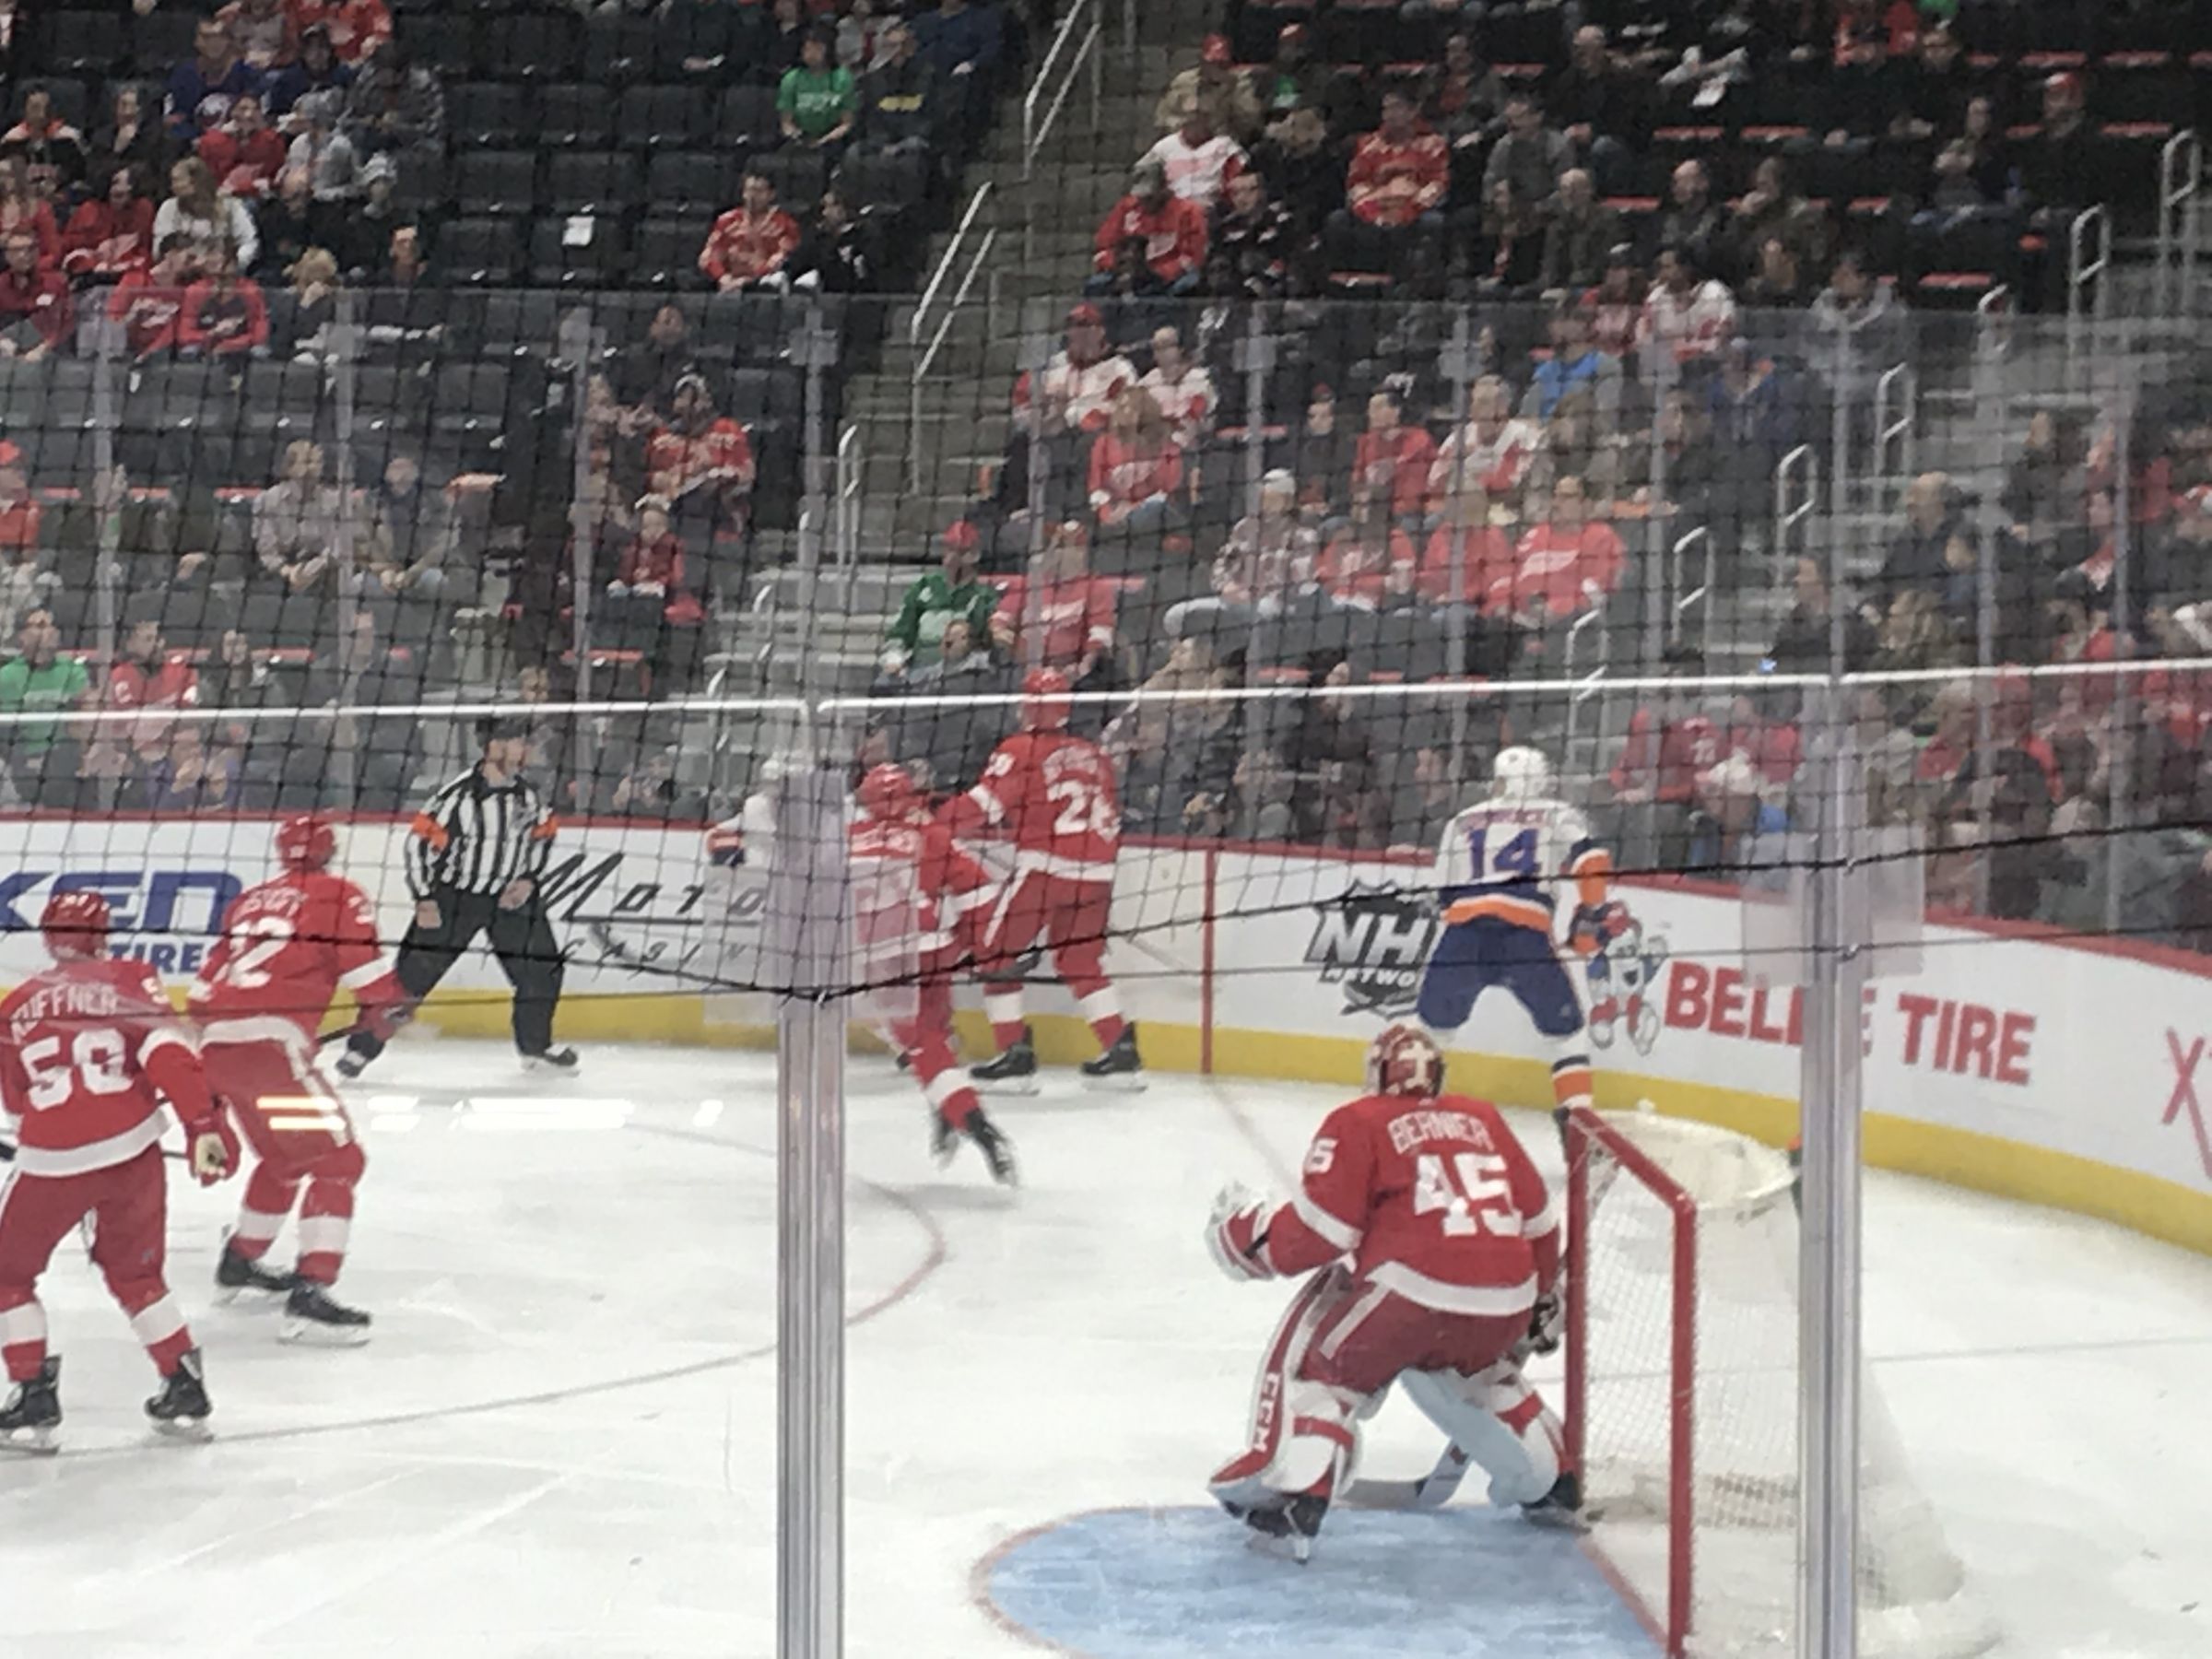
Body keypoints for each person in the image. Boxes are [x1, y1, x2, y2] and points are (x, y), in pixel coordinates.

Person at [1205, 1022, 1571, 1557]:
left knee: (1321, 1370)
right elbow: (1539, 1224)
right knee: (1481, 1375)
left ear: (1376, 1074)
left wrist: (1247, 1236)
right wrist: (1539, 1300)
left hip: (1411, 1295)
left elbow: (1323, 1234)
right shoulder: (1483, 1118)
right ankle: (1549, 1475)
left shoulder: (1359, 1120)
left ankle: (1292, 1497)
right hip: (1506, 1298)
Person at [0, 890, 237, 1453]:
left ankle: (33, 1395)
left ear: (49, 937)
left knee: (7, 1276)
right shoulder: (132, 978)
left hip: (53, 1158)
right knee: (136, 1275)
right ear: (103, 934)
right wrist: (201, 1123)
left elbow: (14, 1098)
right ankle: (183, 1386)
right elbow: (165, 1055)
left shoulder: (15, 1004)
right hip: (133, 1149)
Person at [190, 814, 405, 1343]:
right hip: (273, 1050)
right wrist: (389, 1009)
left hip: (216, 1046)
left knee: (285, 1159)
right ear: (329, 851)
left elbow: (199, 994)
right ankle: (312, 1289)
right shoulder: (338, 894)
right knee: (339, 1160)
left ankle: (240, 1261)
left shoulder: (247, 901)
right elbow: (365, 974)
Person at [339, 716, 577, 1079]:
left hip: (509, 902)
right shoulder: (456, 796)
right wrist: (424, 898)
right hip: (454, 900)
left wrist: (528, 879)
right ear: (493, 746)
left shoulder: (528, 794)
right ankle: (361, 1049)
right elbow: (417, 845)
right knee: (410, 979)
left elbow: (544, 835)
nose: (524, 749)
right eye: (516, 742)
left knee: (542, 971)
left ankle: (535, 1047)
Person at [943, 667, 1142, 1088]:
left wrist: (930, 824)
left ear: (1027, 706)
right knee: (1079, 958)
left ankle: (1014, 1055)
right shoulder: (1094, 753)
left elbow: (984, 807)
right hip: (1099, 871)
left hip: (1046, 868)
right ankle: (1121, 1050)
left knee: (994, 953)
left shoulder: (1020, 748)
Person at [1418, 746, 1618, 1123]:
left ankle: (1407, 1116)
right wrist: (1590, 913)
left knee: (1432, 1035)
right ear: (1541, 779)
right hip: (1523, 934)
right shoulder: (1558, 812)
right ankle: (1580, 1129)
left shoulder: (1461, 819)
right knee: (1566, 1036)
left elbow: (1442, 895)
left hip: (1463, 933)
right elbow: (1592, 859)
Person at [850, 764, 1016, 1183]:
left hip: (883, 960)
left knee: (923, 1048)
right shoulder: (934, 838)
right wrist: (977, 950)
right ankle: (946, 1110)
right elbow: (980, 895)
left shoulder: (845, 842)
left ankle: (979, 1127)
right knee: (935, 1035)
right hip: (934, 953)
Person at [0, 608, 88, 808]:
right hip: (19, 762)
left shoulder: (72, 670)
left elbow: (84, 716)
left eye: (52, 625)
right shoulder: (6, 677)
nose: (50, 631)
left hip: (64, 758)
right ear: (22, 636)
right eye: (41, 626)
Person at [699, 171, 802, 293]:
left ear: (771, 194)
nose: (753, 196)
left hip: (763, 285)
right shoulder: (726, 221)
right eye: (749, 191)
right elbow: (710, 255)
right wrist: (723, 277)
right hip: (727, 284)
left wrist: (750, 280)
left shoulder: (785, 224)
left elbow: (782, 258)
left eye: (759, 191)